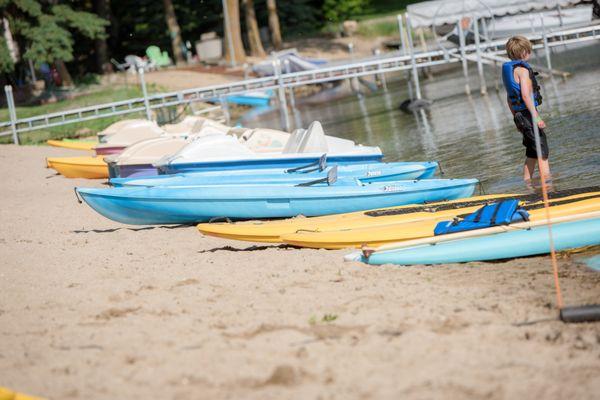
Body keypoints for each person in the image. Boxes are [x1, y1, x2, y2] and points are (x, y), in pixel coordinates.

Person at [502, 36, 551, 187]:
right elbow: (524, 95)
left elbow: (510, 100)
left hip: (519, 115)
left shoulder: (511, 71)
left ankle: (527, 185)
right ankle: (548, 187)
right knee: (542, 152)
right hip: (528, 116)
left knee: (532, 152)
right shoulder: (522, 71)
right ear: (524, 52)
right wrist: (536, 118)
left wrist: (515, 120)